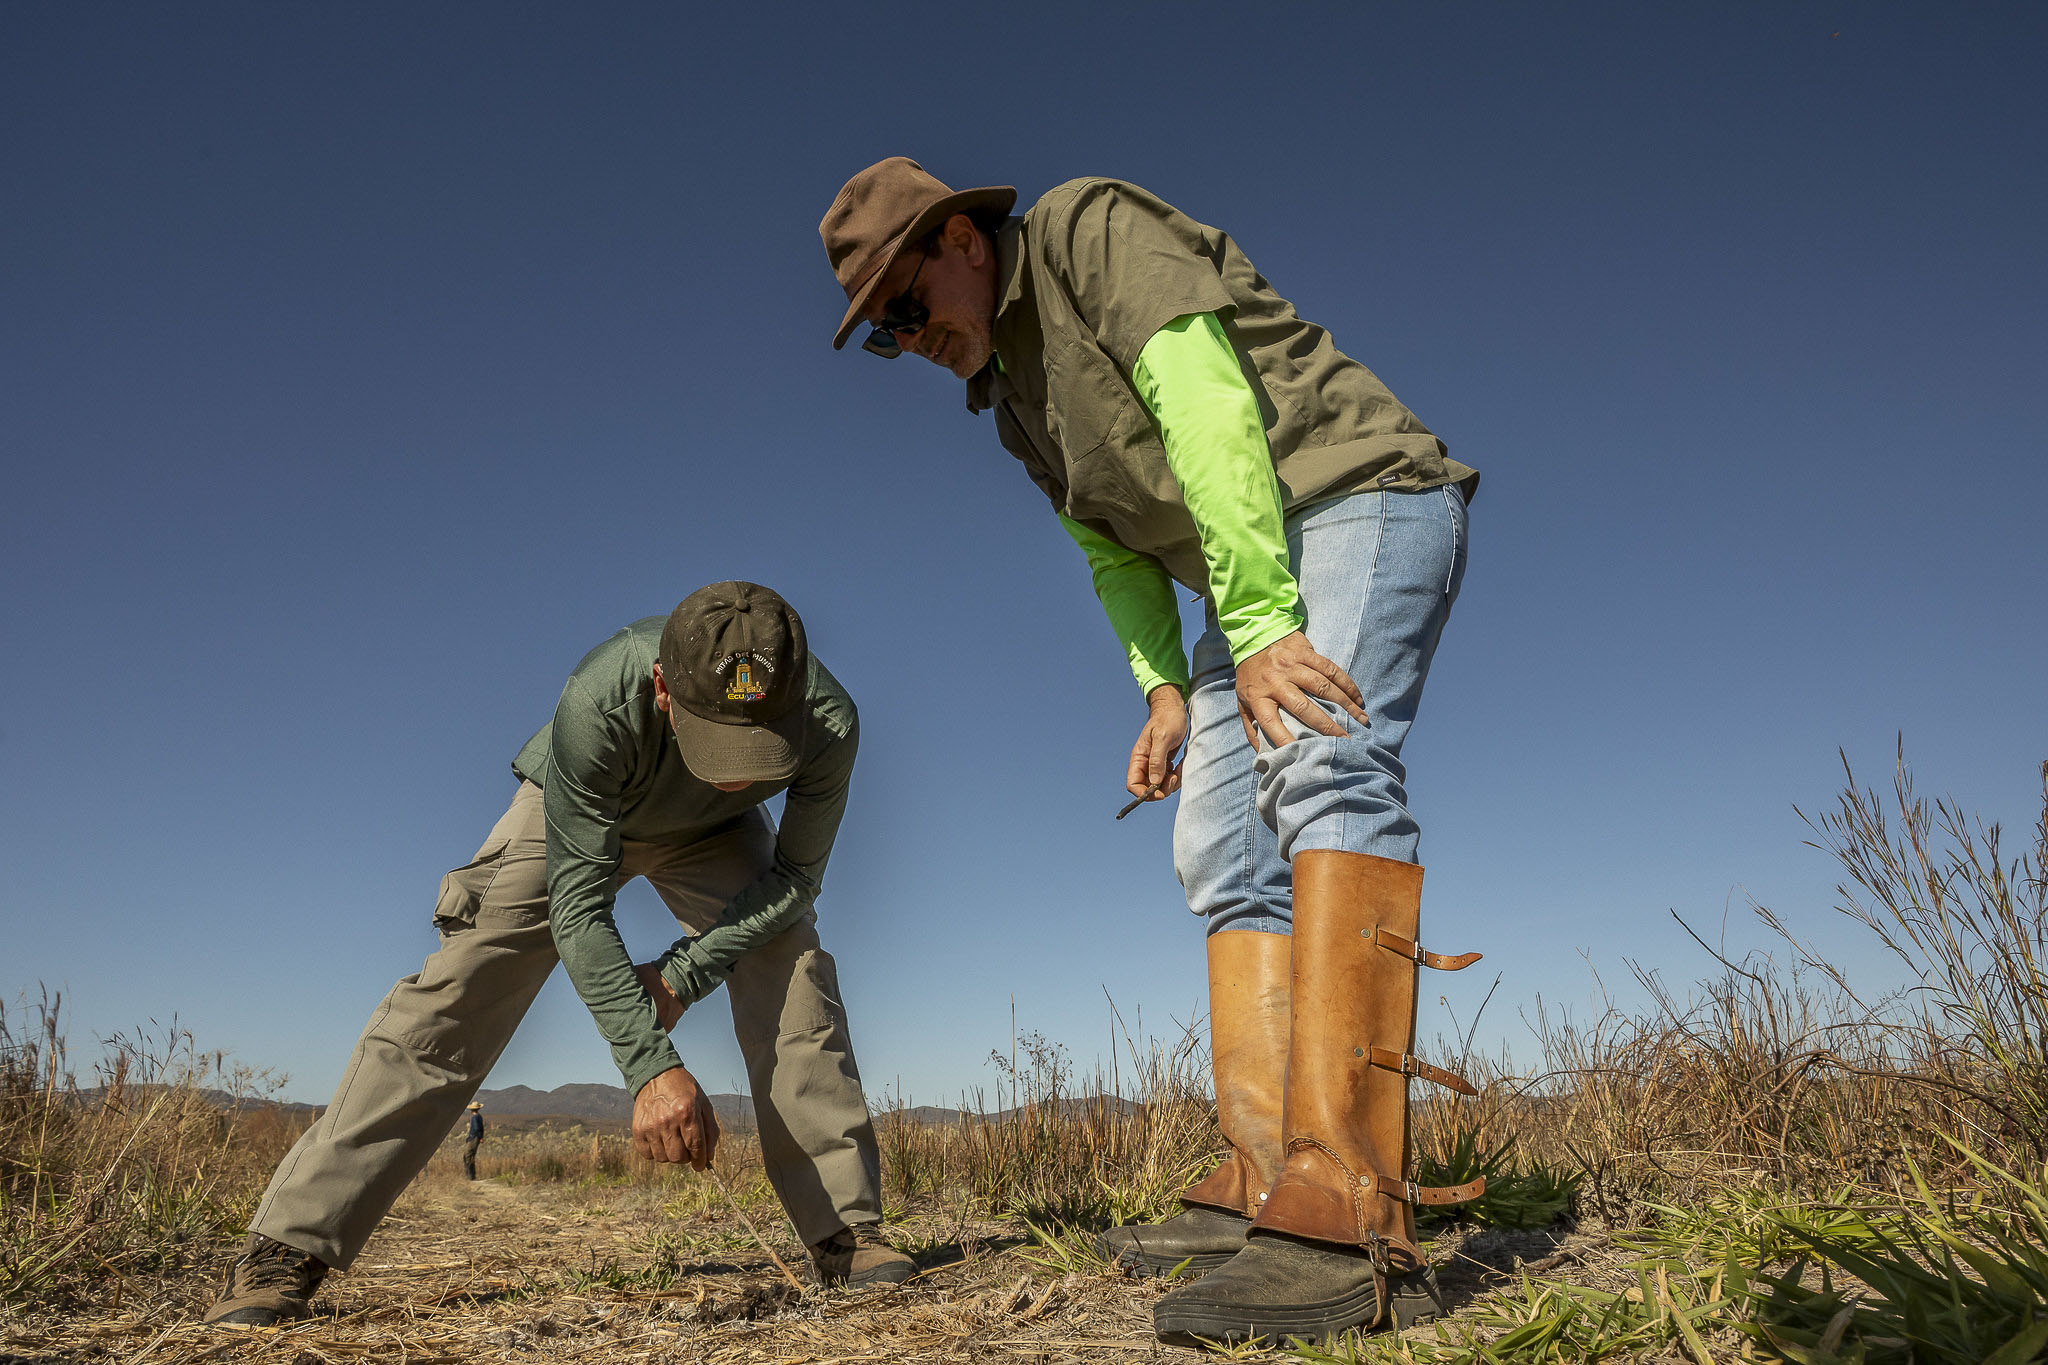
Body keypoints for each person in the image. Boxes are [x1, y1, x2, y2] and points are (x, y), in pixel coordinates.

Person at [819, 160, 1484, 1344]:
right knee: (1222, 847)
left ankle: (1348, 1206)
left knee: (1320, 761)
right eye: (883, 337)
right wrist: (1164, 689)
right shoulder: (1011, 401)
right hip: (1242, 581)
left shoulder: (1087, 227)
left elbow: (1206, 401)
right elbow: (1111, 551)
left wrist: (1267, 625)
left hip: (1351, 499)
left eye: (906, 308)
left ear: (962, 238)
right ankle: (1258, 1177)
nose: (907, 342)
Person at [204, 583, 912, 1327]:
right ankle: (288, 1243)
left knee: (792, 962)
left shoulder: (829, 722)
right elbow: (578, 905)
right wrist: (650, 1066)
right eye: (716, 742)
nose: (735, 770)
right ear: (663, 688)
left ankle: (845, 1228)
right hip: (584, 802)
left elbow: (795, 879)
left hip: (718, 835)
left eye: (757, 744)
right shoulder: (599, 695)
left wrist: (683, 973)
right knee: (465, 981)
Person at [462, 1102, 485, 1181]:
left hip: (473, 1138)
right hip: (477, 1138)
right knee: (471, 1156)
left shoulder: (474, 1117)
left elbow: (476, 1128)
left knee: (467, 1156)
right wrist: (481, 1137)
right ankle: (472, 1175)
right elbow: (481, 1128)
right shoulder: (479, 1116)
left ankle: (469, 1175)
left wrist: (470, 1138)